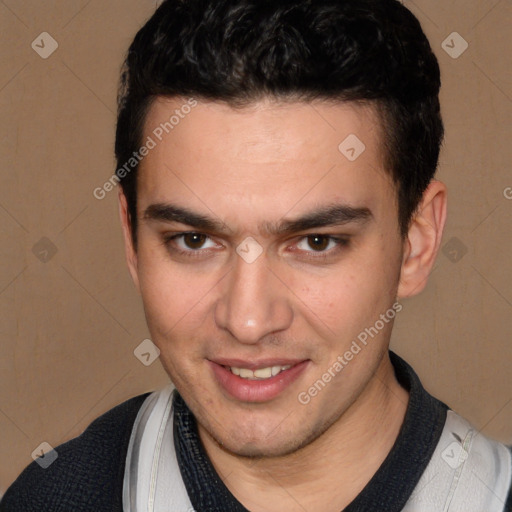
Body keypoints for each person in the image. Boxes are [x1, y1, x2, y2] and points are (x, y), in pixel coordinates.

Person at [2, 0, 511, 510]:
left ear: (416, 242)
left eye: (316, 242)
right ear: (132, 238)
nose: (247, 321)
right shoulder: (50, 498)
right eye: (193, 240)